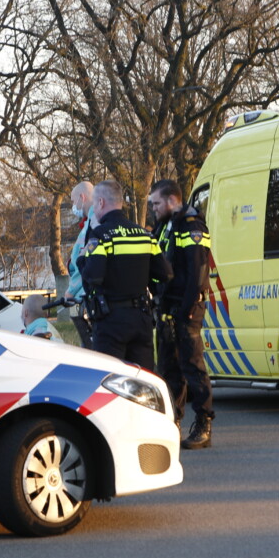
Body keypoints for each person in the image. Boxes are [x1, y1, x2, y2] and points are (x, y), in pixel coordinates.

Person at [79, 179, 171, 372]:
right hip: (141, 319)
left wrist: (81, 259)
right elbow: (165, 273)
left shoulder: (101, 235)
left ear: (101, 203)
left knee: (110, 378)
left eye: (94, 203)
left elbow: (93, 277)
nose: (94, 209)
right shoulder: (144, 235)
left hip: (110, 321)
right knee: (142, 377)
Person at [149, 178, 214, 449]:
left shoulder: (192, 226)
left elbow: (198, 272)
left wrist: (186, 310)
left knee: (192, 365)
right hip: (167, 307)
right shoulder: (164, 226)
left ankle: (203, 423)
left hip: (187, 308)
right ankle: (173, 422)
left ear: (171, 200)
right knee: (168, 368)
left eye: (156, 203)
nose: (153, 208)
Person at [63, 180, 95, 347]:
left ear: (82, 197)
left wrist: (70, 291)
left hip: (88, 296)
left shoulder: (92, 225)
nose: (73, 206)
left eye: (73, 201)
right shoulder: (90, 223)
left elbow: (83, 262)